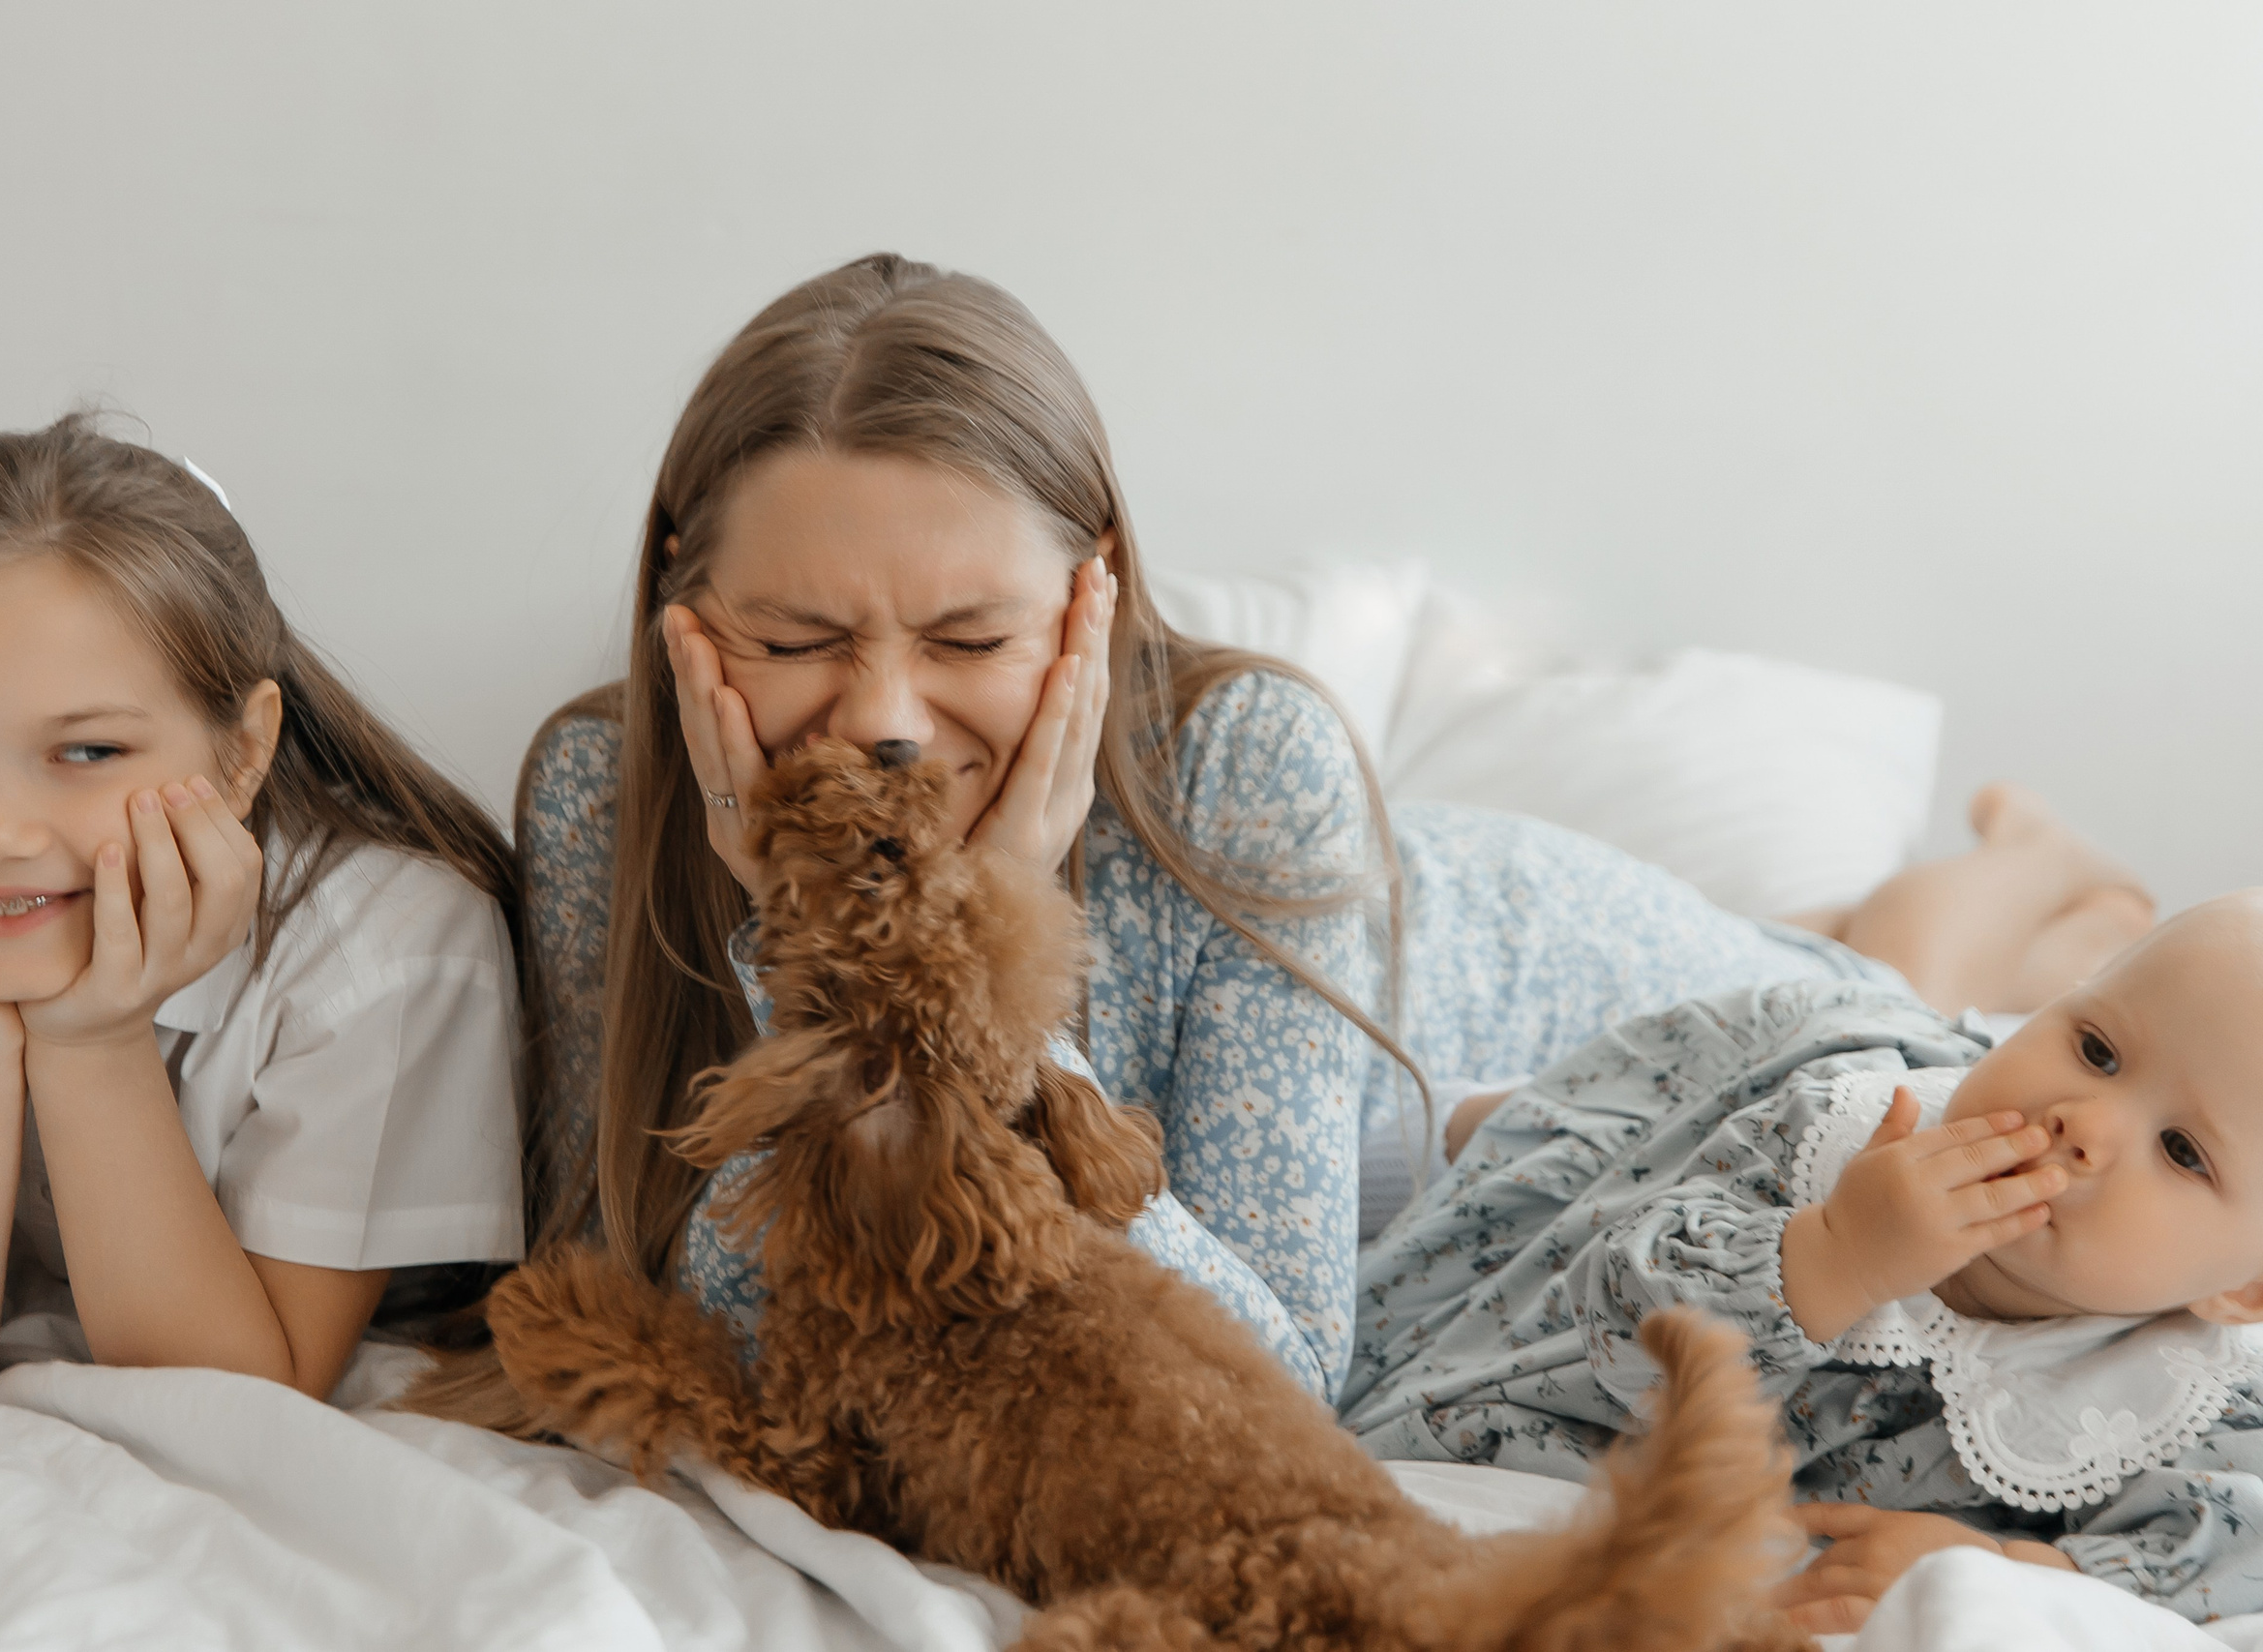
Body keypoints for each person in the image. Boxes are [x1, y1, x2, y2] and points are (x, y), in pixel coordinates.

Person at [487, 252, 2152, 1414]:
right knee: (1871, 958)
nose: (891, 722)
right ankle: (2017, 875)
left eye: (971, 640)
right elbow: (638, 1306)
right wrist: (818, 944)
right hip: (1400, 988)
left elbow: (1286, 1375)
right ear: (678, 609)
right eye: (792, 645)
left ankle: (2033, 871)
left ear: (1094, 603)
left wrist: (977, 1001)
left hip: (1530, 991)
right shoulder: (597, 797)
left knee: (1870, 1001)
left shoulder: (1249, 758)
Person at [0, 417, 525, 1406]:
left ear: (244, 751)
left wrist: (94, 1044)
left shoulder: (390, 943)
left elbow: (240, 1392)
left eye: (87, 752)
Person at [1343, 892, 2263, 1630]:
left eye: (2183, 1151)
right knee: (1503, 1142)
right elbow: (1617, 1316)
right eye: (2094, 1047)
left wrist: (2019, 1564)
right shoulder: (1817, 1127)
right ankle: (2023, 865)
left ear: (2241, 1288)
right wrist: (1836, 1254)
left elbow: (2233, 1548)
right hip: (1714, 1080)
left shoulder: (2192, 1394)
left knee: (1933, 969)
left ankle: (2076, 913)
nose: (2085, 1121)